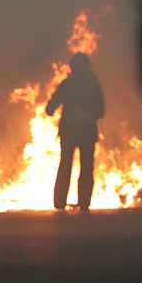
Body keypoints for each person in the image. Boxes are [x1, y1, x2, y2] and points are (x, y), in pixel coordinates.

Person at [46, 52, 105, 211]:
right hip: (85, 132)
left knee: (66, 164)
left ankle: (60, 202)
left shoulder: (68, 84)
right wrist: (86, 115)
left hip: (71, 132)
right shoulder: (93, 84)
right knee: (85, 166)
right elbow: (100, 111)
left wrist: (57, 107)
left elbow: (50, 108)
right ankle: (83, 203)